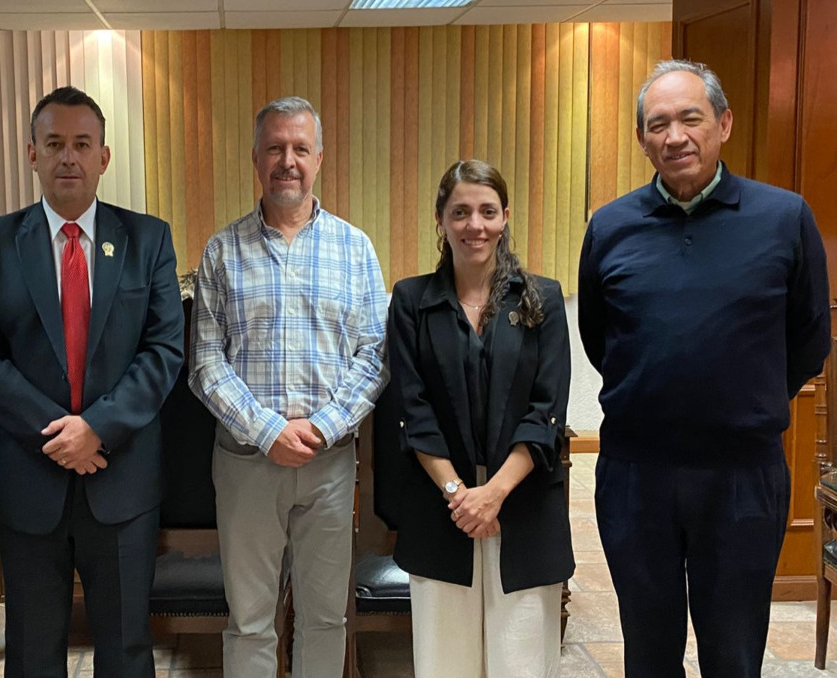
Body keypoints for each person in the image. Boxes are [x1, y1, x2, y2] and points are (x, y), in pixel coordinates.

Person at [579, 59, 830, 678]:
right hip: (636, 475)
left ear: (724, 123)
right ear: (642, 139)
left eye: (690, 118)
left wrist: (743, 401)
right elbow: (600, 338)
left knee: (735, 653)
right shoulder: (610, 226)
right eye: (658, 124)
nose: (675, 136)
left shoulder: (784, 217)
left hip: (742, 474)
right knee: (648, 650)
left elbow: (809, 338)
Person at [0, 85, 183, 678]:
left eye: (82, 144)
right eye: (54, 144)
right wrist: (59, 434)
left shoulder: (148, 239)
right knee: (32, 652)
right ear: (32, 153)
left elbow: (163, 350)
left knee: (127, 649)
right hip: (28, 481)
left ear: (104, 157)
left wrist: (97, 428)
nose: (68, 158)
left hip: (122, 478)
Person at [189, 96, 388, 678]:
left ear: (319, 158)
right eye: (275, 148)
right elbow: (205, 362)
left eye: (300, 148)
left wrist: (323, 427)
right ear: (255, 158)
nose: (288, 161)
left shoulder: (355, 248)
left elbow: (375, 355)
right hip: (247, 462)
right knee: (250, 621)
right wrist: (268, 430)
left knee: (325, 618)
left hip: (330, 464)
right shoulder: (222, 250)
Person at [386, 159, 573, 677]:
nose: (475, 225)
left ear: (505, 217)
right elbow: (413, 409)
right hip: (441, 508)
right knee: (445, 662)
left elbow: (547, 409)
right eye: (460, 212)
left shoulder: (542, 299)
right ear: (440, 220)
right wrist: (460, 495)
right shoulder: (411, 300)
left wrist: (493, 494)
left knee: (522, 660)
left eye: (488, 211)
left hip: (524, 504)